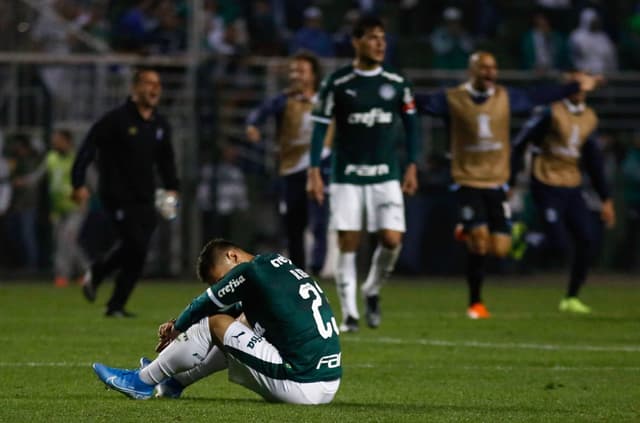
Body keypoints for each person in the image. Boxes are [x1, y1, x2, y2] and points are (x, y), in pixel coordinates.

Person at [415, 51, 601, 319]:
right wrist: (392, 96)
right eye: (484, 68)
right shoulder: (453, 98)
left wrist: (575, 86)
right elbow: (421, 103)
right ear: (472, 71)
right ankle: (476, 303)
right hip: (467, 179)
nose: (490, 72)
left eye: (493, 67)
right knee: (479, 243)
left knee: (500, 249)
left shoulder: (506, 97)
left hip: (496, 183)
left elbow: (539, 96)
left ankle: (468, 229)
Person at [92, 238, 341, 404]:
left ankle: (142, 381)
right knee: (241, 324)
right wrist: (184, 323)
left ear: (232, 256)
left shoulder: (250, 271)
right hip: (327, 382)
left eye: (221, 280)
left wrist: (177, 327)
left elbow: (204, 304)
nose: (223, 287)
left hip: (301, 383)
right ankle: (173, 382)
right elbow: (239, 309)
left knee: (215, 322)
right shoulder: (274, 264)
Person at [307, 16, 419, 332]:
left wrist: (412, 164)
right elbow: (318, 130)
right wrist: (314, 171)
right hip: (347, 175)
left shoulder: (398, 83)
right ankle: (351, 315)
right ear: (356, 42)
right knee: (348, 241)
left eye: (383, 38)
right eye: (372, 37)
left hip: (386, 174)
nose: (380, 43)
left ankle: (371, 289)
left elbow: (412, 128)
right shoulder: (338, 83)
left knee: (392, 239)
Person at [71, 67, 179, 317]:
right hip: (116, 196)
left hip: (146, 196)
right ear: (135, 88)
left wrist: (172, 187)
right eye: (148, 83)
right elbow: (87, 149)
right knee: (136, 244)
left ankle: (115, 304)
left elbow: (166, 161)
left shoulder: (159, 124)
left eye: (158, 84)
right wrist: (78, 183)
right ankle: (99, 274)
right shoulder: (115, 120)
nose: (154, 89)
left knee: (137, 253)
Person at [510, 74, 615, 312]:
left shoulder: (589, 117)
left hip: (572, 184)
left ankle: (571, 297)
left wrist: (605, 198)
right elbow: (521, 143)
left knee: (587, 240)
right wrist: (511, 181)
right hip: (546, 181)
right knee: (558, 244)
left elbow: (593, 161)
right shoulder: (550, 112)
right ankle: (524, 238)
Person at [245, 50, 330, 275]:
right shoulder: (283, 100)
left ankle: (318, 267)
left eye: (301, 70)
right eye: (293, 70)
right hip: (291, 169)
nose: (295, 75)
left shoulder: (327, 99)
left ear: (313, 75)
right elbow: (259, 113)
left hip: (323, 167)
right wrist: (253, 126)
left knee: (320, 221)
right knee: (294, 224)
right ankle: (300, 271)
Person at [46, 129, 89, 287]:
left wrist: (85, 197)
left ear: (67, 141)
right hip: (57, 209)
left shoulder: (77, 159)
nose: (54, 142)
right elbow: (40, 176)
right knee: (65, 242)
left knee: (66, 239)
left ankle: (62, 275)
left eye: (58, 139)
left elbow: (91, 180)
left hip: (76, 207)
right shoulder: (51, 158)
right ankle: (87, 272)